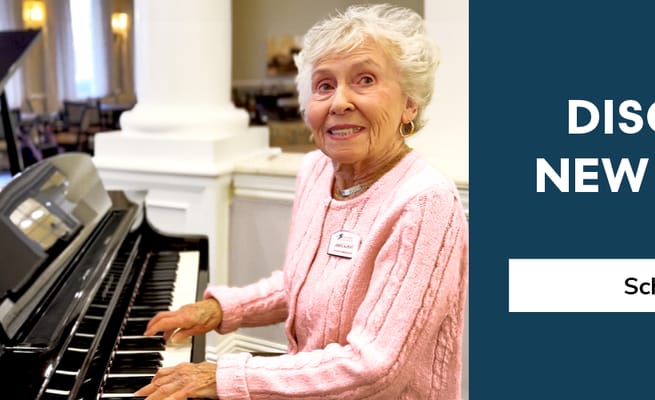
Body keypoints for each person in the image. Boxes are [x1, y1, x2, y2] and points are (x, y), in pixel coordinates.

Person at [135, 4, 468, 399]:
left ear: (409, 104)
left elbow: (374, 368)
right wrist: (220, 310)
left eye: (364, 80)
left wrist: (222, 376)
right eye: (324, 86)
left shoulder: (425, 204)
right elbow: (302, 285)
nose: (339, 102)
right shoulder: (316, 171)